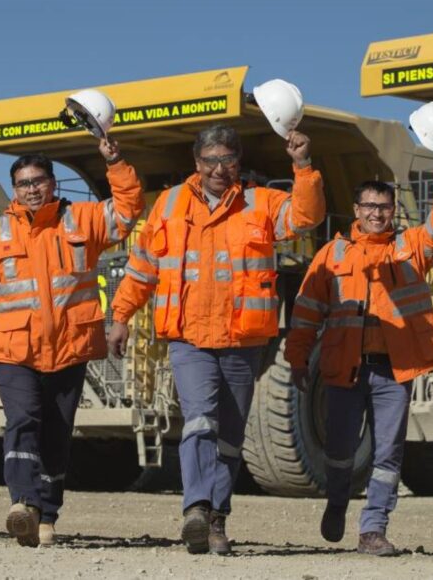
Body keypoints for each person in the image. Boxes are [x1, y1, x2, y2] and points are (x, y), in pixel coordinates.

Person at [109, 124, 324, 555]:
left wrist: (303, 166)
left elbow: (306, 216)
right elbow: (142, 267)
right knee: (200, 419)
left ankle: (216, 519)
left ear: (238, 164)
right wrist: (120, 315)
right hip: (188, 336)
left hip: (242, 338)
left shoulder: (260, 202)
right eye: (211, 161)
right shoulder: (169, 205)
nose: (219, 169)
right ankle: (196, 506)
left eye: (228, 160)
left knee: (229, 433)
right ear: (197, 163)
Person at [0, 138, 142, 548]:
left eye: (39, 180)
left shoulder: (82, 220)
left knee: (56, 432)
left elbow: (127, 211)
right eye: (23, 183)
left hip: (70, 348)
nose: (32, 188)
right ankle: (23, 503)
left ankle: (47, 512)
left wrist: (114, 161)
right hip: (15, 350)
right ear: (14, 189)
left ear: (53, 184)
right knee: (23, 420)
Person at [286, 145, 433, 555]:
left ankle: (373, 530)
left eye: (384, 207)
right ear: (356, 209)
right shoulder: (333, 254)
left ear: (393, 211)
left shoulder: (411, 248)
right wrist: (297, 357)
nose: (377, 214)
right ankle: (336, 502)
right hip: (344, 369)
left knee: (388, 453)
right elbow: (307, 311)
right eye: (370, 206)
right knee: (340, 450)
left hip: (392, 372)